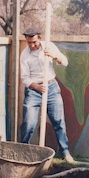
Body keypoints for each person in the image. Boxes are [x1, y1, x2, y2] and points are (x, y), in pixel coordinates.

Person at [19, 26, 75, 163]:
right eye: (29, 42)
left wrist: (54, 56)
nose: (31, 45)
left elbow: (65, 62)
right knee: (29, 123)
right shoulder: (25, 54)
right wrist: (37, 87)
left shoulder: (49, 46)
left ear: (40, 38)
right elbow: (25, 78)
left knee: (58, 121)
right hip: (34, 90)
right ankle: (21, 152)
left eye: (34, 42)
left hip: (51, 88)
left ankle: (65, 152)